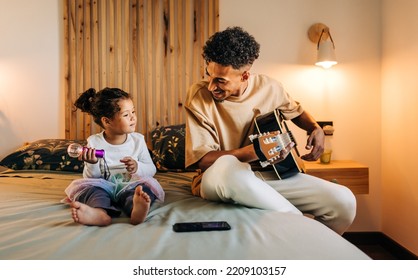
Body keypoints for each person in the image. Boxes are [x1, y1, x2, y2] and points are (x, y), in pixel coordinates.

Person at [184, 26, 356, 235]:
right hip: (219, 179)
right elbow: (202, 160)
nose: (211, 86)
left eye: (220, 80)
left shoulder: (270, 87)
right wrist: (253, 152)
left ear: (245, 76)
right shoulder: (198, 96)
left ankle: (306, 250)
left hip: (269, 176)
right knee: (228, 165)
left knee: (343, 201)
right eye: (208, 75)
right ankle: (300, 227)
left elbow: (296, 111)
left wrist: (315, 127)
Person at [63, 87, 164, 226]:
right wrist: (92, 163)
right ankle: (99, 213)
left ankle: (136, 209)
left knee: (142, 190)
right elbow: (91, 178)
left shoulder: (138, 140)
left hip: (130, 184)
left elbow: (151, 170)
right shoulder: (94, 142)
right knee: (92, 191)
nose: (133, 117)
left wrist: (137, 167)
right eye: (126, 115)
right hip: (103, 185)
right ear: (107, 121)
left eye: (133, 112)